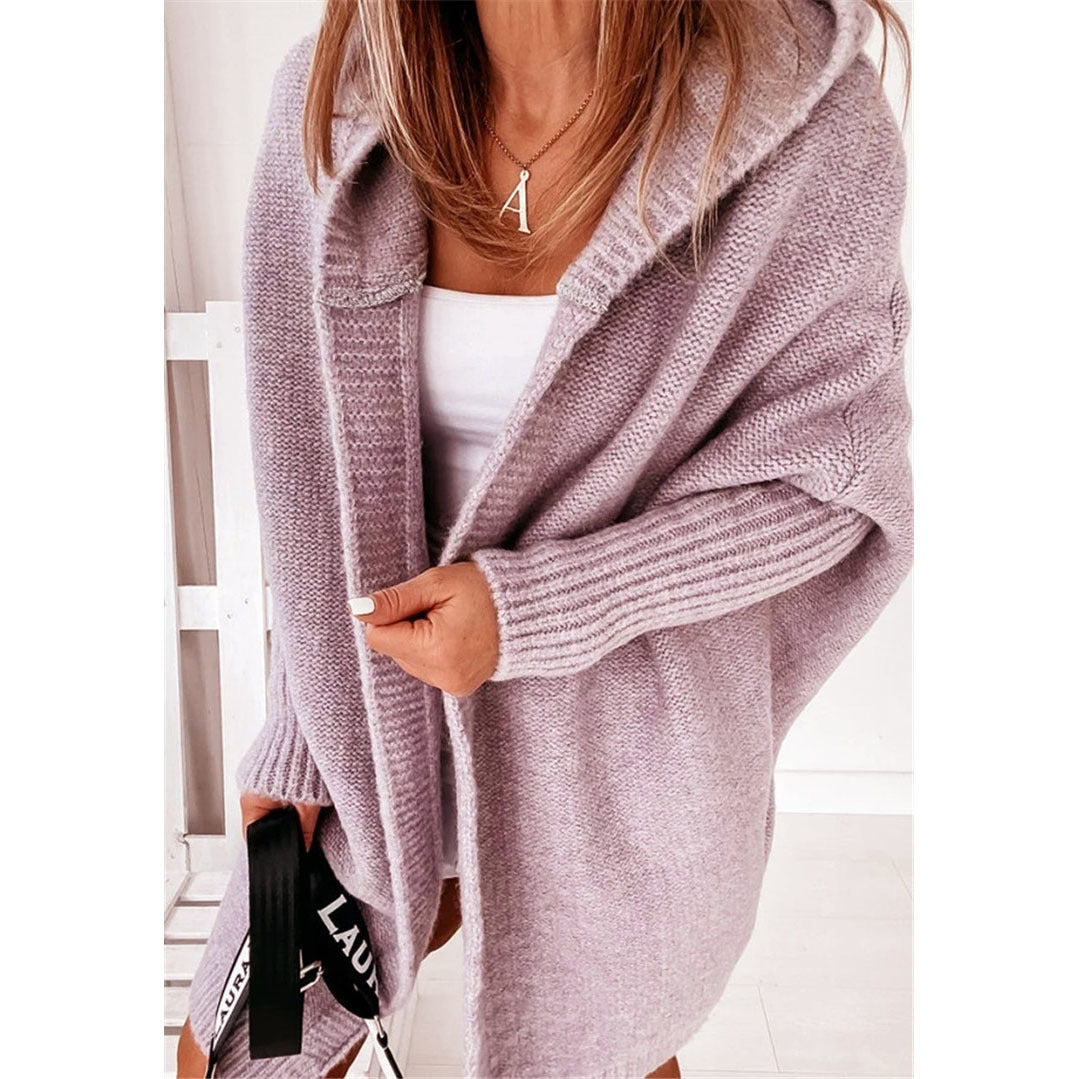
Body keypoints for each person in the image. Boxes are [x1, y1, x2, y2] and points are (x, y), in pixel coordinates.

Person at [177, 0, 912, 1075]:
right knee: (234, 1053)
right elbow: (307, 478)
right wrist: (298, 727)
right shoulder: (336, 101)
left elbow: (836, 479)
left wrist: (532, 610)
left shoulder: (805, 119)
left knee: (599, 1052)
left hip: (622, 756)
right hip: (377, 730)